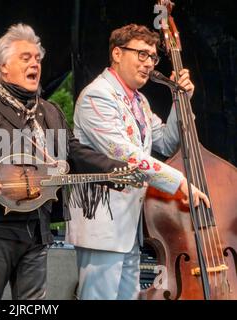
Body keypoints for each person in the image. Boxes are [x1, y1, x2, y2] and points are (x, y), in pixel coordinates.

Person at [0, 23, 127, 300]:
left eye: (37, 58)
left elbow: (74, 152)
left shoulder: (50, 112)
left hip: (38, 227)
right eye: (25, 58)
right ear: (3, 66)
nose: (35, 63)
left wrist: (114, 169)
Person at [66, 24, 210, 300]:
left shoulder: (139, 101)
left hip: (129, 225)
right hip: (102, 225)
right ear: (117, 53)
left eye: (153, 57)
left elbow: (166, 142)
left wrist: (182, 101)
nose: (148, 63)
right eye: (141, 54)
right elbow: (125, 154)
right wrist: (179, 182)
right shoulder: (98, 95)